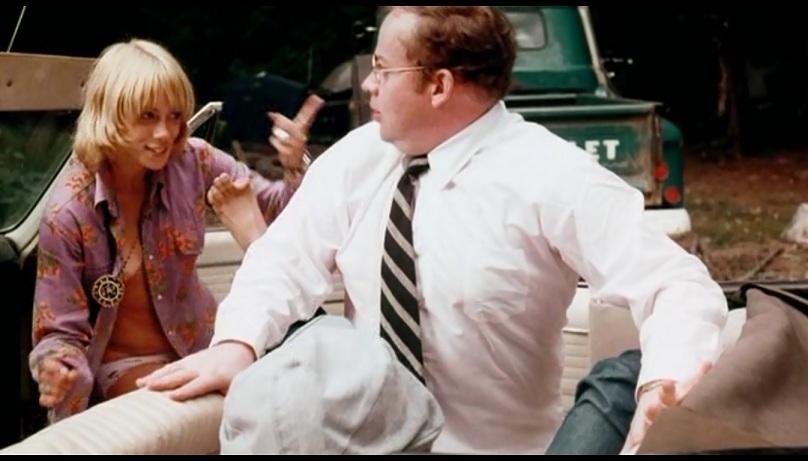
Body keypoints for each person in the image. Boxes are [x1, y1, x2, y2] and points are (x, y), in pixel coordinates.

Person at [139, 7, 728, 454]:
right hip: (367, 447)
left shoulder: (550, 175)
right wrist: (236, 345)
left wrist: (662, 386)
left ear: (438, 85)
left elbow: (676, 284)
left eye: (381, 69)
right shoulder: (357, 159)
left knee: (621, 376)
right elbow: (283, 262)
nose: (368, 85)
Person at [30, 38, 323, 423]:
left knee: (291, 402)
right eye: (148, 116)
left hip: (207, 347)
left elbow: (282, 212)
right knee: (202, 414)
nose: (165, 133)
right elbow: (59, 332)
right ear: (110, 115)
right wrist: (57, 368)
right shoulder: (68, 212)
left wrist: (294, 164)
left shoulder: (194, 161)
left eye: (174, 116)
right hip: (124, 365)